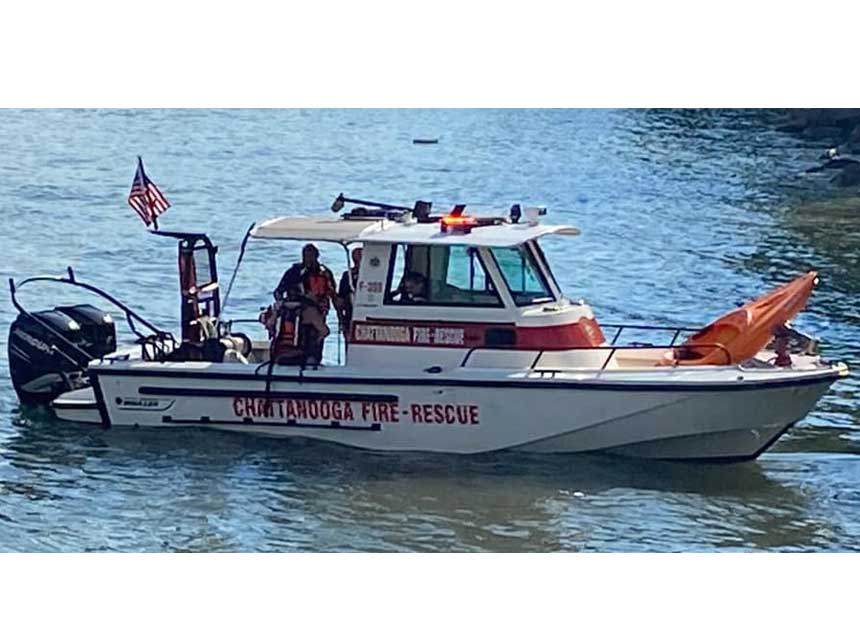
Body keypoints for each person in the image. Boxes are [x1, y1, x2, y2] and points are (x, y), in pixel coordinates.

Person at [273, 243, 343, 362]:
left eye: (311, 256)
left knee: (317, 340)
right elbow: (278, 292)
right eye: (306, 256)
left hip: (319, 312)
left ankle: (314, 360)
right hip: (297, 312)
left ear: (317, 256)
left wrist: (340, 317)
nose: (308, 259)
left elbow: (333, 295)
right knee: (300, 340)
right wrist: (283, 303)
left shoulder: (325, 273)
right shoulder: (294, 272)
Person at [337, 246, 362, 333]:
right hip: (350, 311)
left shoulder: (371, 275)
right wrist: (341, 319)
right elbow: (340, 299)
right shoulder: (348, 275)